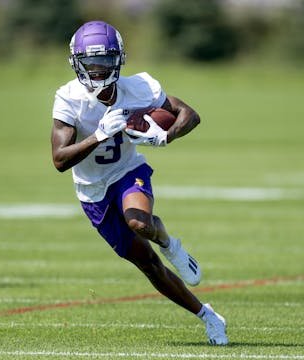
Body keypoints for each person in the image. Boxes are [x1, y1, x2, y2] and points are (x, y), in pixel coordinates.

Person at [50, 20, 228, 345]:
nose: (98, 70)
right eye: (91, 63)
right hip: (92, 192)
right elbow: (60, 160)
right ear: (76, 64)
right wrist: (98, 135)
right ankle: (209, 316)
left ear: (118, 60)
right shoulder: (68, 98)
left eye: (105, 61)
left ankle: (171, 245)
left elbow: (190, 114)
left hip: (128, 171)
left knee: (139, 222)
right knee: (148, 265)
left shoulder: (140, 88)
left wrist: (166, 136)